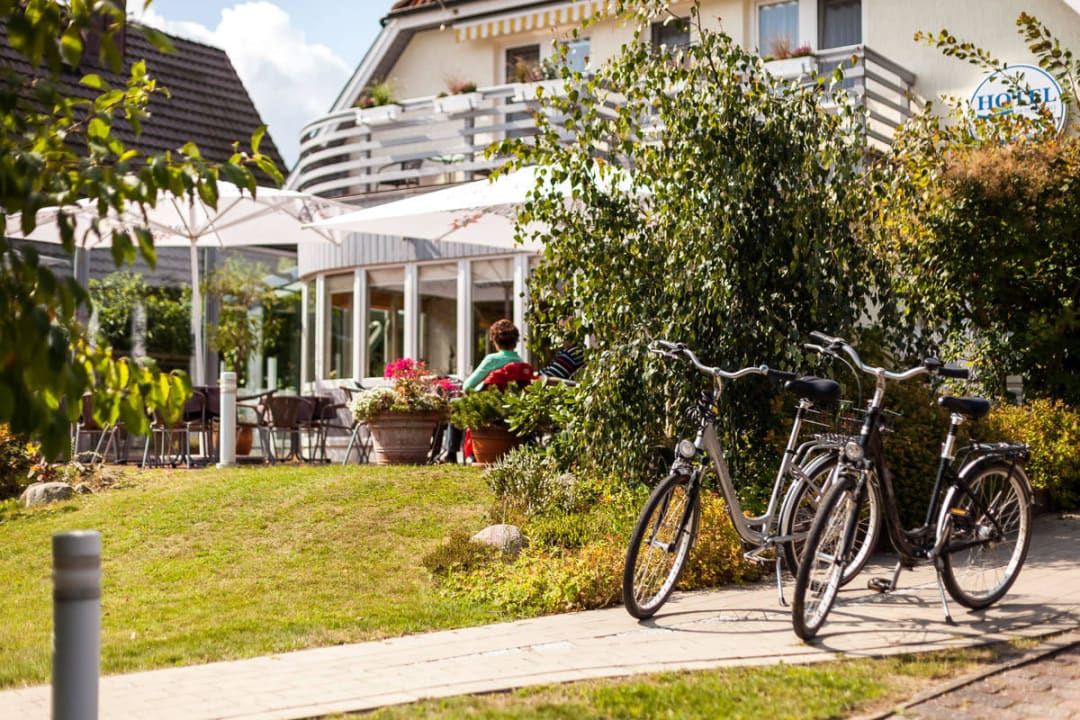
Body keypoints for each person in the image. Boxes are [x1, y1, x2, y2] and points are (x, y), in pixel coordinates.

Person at [439, 319, 526, 463]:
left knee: (455, 403)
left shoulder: (492, 360)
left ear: (495, 341)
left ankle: (451, 453)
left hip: (489, 408)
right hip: (512, 408)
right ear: (515, 341)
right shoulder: (520, 362)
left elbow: (468, 386)